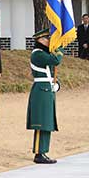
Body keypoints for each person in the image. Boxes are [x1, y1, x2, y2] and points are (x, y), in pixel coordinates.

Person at [26, 29, 62, 164]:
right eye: (47, 39)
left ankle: (44, 151)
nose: (49, 41)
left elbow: (50, 71)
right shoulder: (37, 54)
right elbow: (55, 60)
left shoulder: (43, 53)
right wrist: (59, 48)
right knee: (41, 123)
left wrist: (56, 83)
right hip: (41, 90)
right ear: (40, 40)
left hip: (47, 89)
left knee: (47, 122)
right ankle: (38, 152)